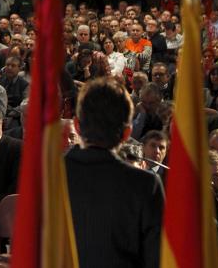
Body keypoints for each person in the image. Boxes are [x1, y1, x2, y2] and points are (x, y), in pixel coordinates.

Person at [65, 78, 164, 268]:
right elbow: (157, 260)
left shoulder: (46, 176)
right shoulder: (147, 185)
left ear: (77, 125)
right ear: (127, 133)